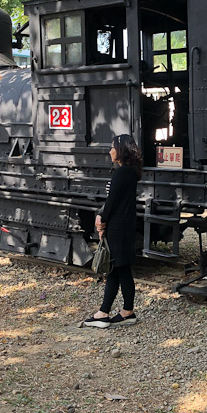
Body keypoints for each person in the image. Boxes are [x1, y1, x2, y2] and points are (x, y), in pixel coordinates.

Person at [83, 134, 142, 328]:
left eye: (112, 147)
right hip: (123, 226)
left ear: (121, 150)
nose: (110, 151)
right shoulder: (130, 172)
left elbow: (112, 202)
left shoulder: (123, 173)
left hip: (118, 227)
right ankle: (110, 312)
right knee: (117, 270)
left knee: (119, 269)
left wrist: (101, 220)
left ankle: (120, 312)